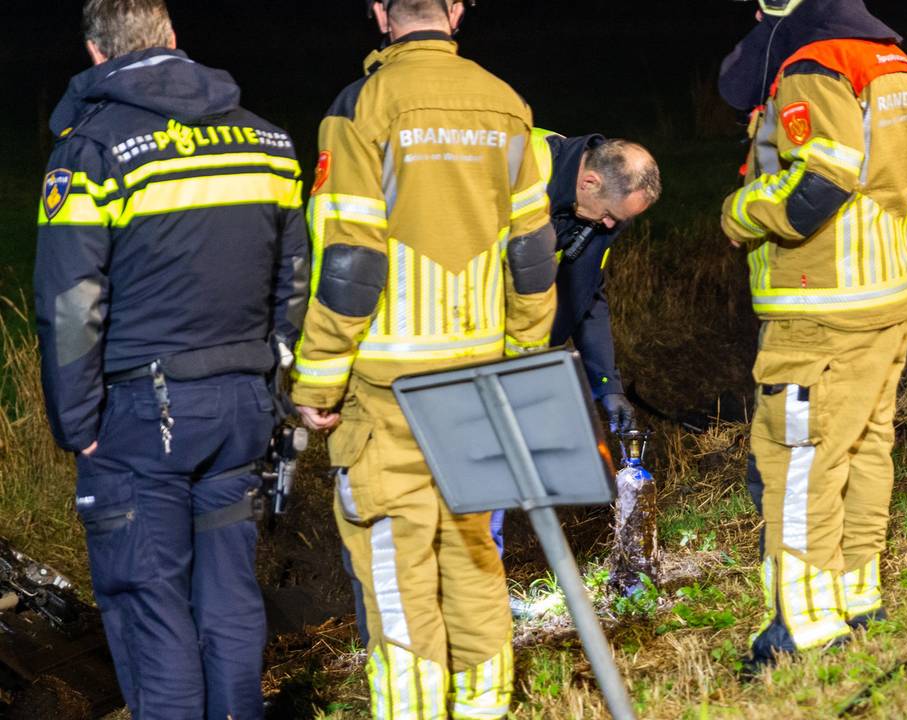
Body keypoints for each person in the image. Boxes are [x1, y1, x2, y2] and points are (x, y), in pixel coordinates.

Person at [33, 0, 309, 717]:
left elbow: (70, 302)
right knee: (229, 595)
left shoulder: (92, 149)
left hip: (138, 419)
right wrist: (272, 371)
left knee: (149, 602)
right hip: (242, 409)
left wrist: (77, 424)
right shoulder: (268, 142)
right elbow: (296, 272)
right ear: (174, 40)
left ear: (96, 54)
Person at [290, 0, 556, 716]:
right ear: (459, 8)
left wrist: (318, 376)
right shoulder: (506, 104)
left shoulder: (361, 108)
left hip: (388, 386)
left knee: (394, 561)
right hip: (478, 372)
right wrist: (525, 355)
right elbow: (532, 254)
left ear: (380, 12)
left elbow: (349, 260)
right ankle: (483, 704)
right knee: (472, 548)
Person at [718, 0, 907, 671]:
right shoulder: (892, 61)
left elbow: (824, 180)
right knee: (866, 445)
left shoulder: (815, 66)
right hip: (889, 295)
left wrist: (742, 212)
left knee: (799, 460)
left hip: (824, 305)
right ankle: (855, 594)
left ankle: (804, 628)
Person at [488, 129, 661, 555]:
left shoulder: (599, 210)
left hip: (522, 354)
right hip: (475, 349)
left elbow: (587, 293)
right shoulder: (522, 166)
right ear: (589, 182)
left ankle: (483, 583)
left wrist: (608, 387)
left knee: (498, 475)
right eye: (608, 216)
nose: (609, 226)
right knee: (481, 471)